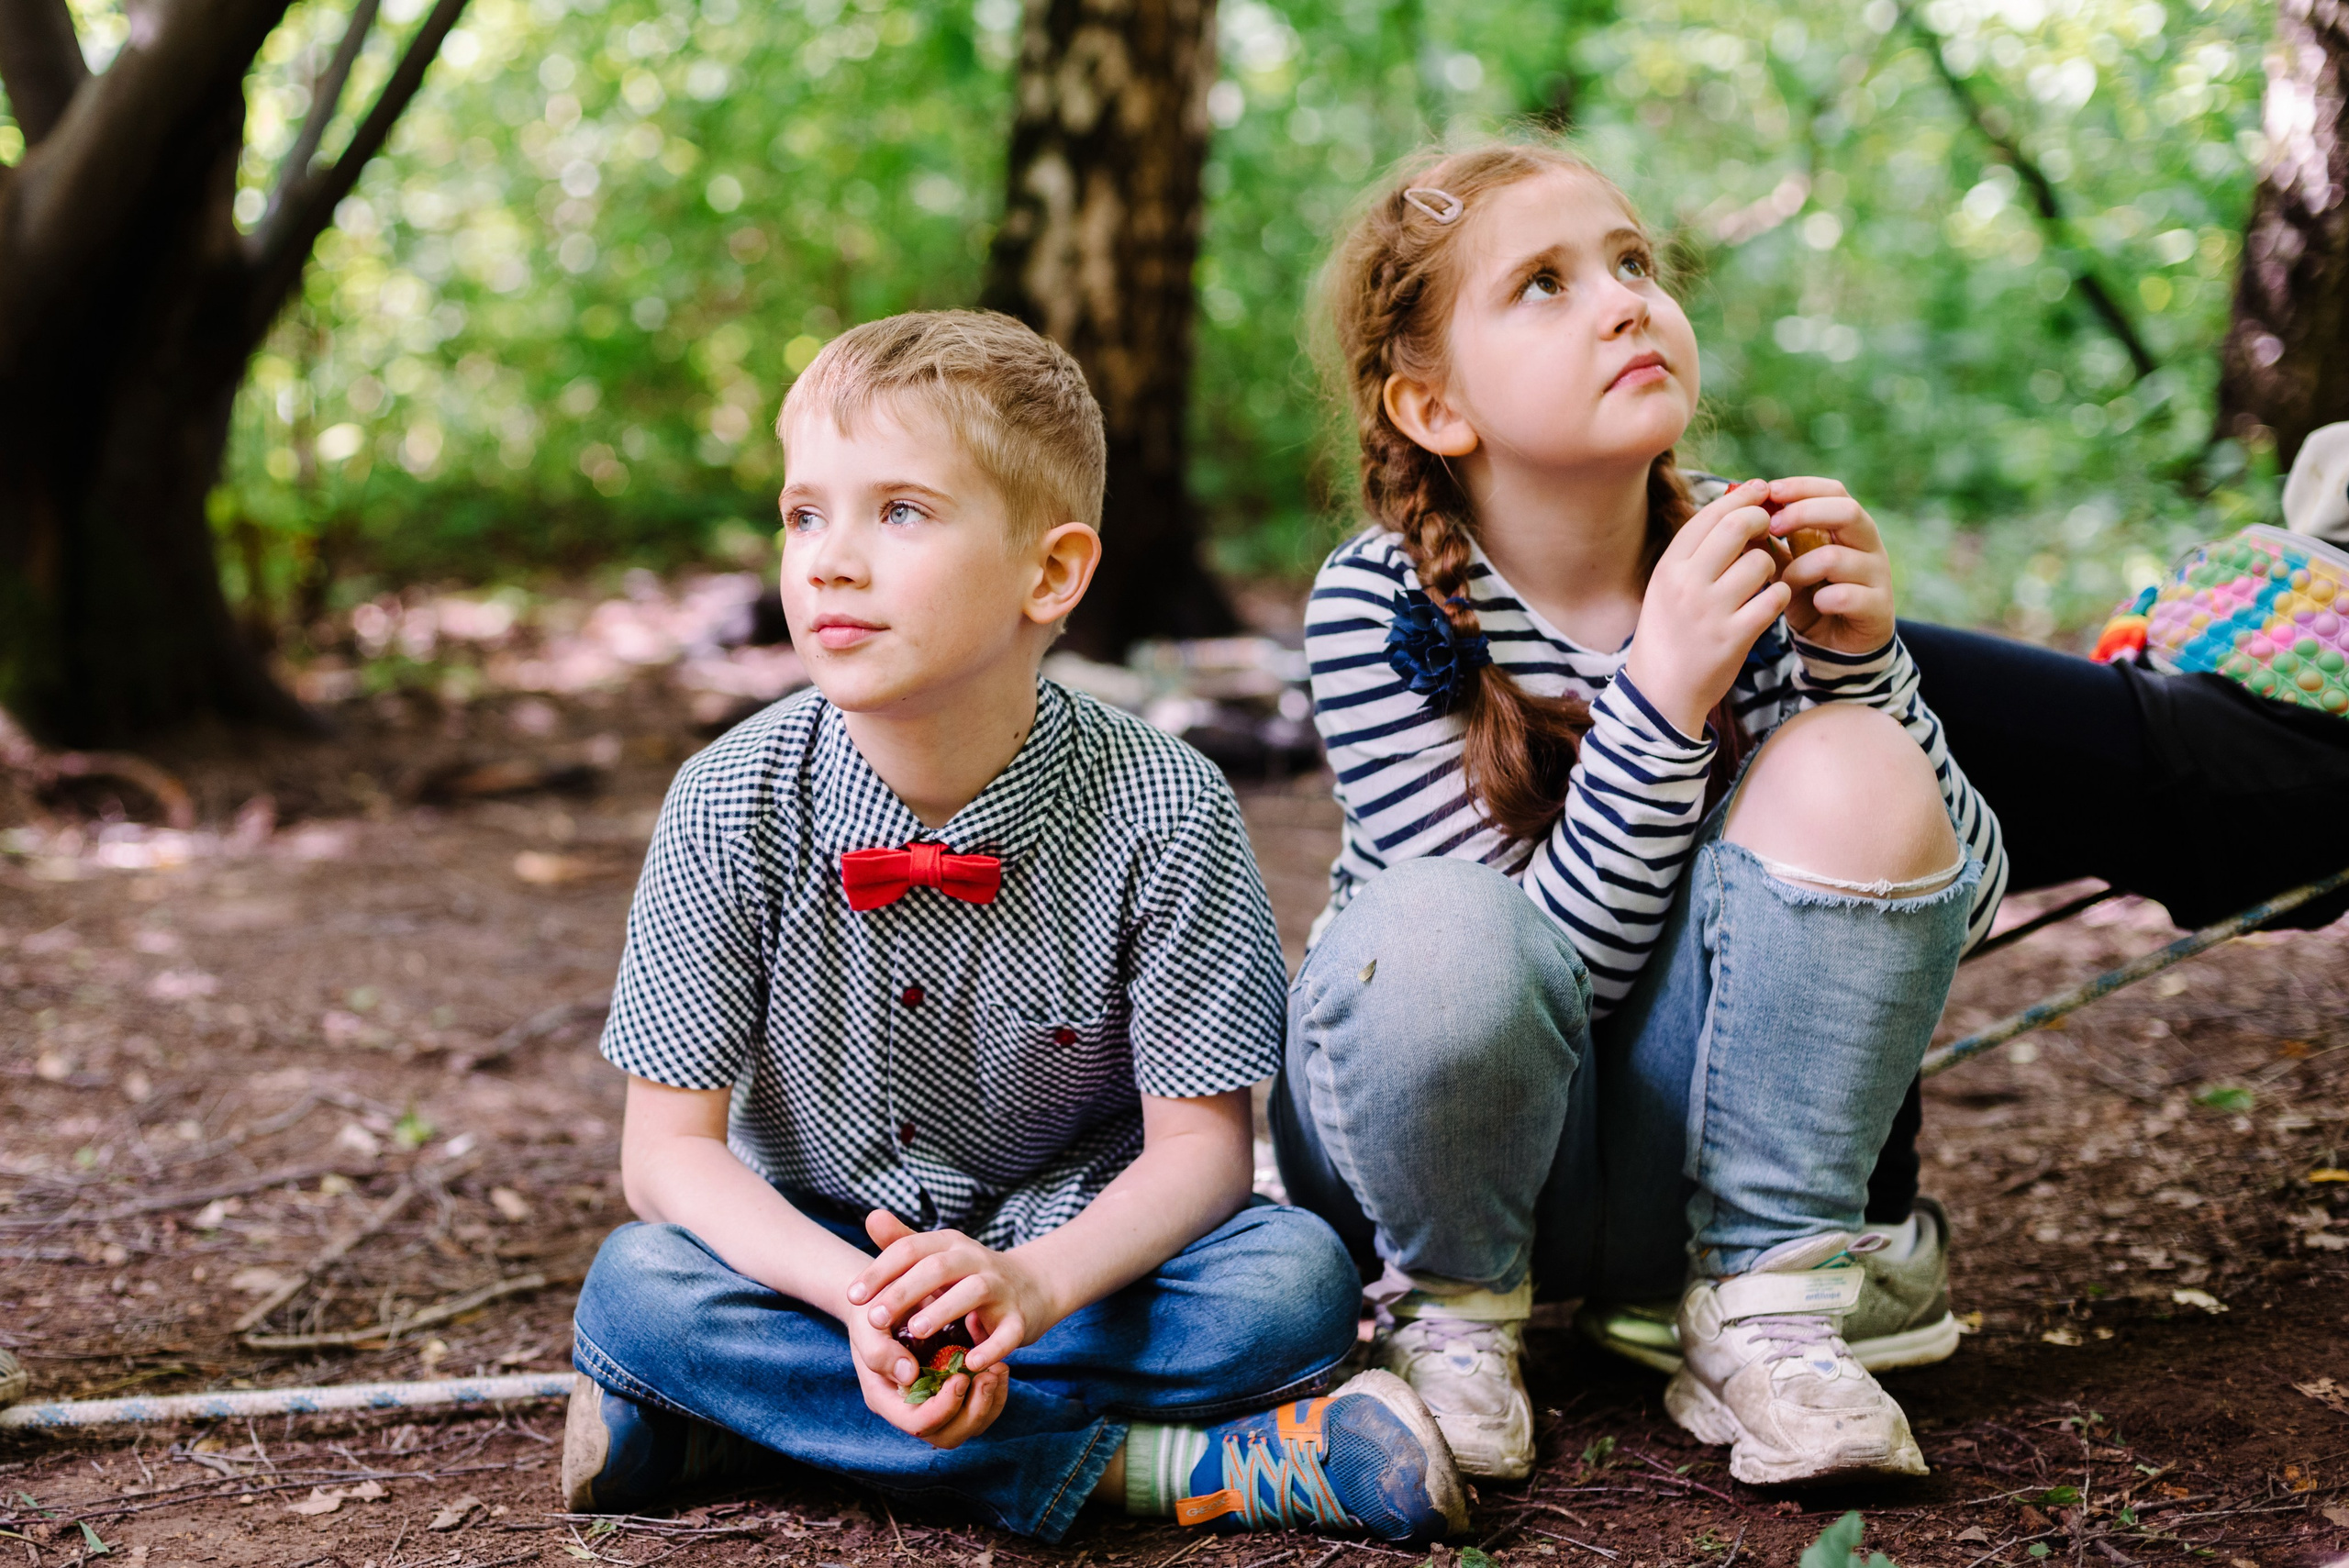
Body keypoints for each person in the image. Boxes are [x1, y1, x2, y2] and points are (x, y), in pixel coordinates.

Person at [562, 310, 1468, 1544]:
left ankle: (742, 1425)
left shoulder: (1168, 805)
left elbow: (1201, 1154)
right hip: (824, 1255)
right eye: (804, 514)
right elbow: (669, 1154)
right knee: (638, 1290)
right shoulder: (729, 799)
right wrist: (861, 1301)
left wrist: (1031, 1287)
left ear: (1050, 574)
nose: (829, 561)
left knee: (1292, 1286)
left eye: (900, 512)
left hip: (1077, 1253)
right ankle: (1178, 1471)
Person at [1275, 142, 2009, 1488]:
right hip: (1432, 1175)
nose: (1624, 302)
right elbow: (1522, 984)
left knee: (1854, 761)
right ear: (1434, 406)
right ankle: (1452, 1328)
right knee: (1436, 922)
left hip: (1675, 1185)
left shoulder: (1744, 556)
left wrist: (1863, 669)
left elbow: (1948, 917)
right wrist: (1662, 701)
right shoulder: (1381, 602)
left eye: (1631, 264)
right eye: (1544, 284)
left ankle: (1764, 1316)